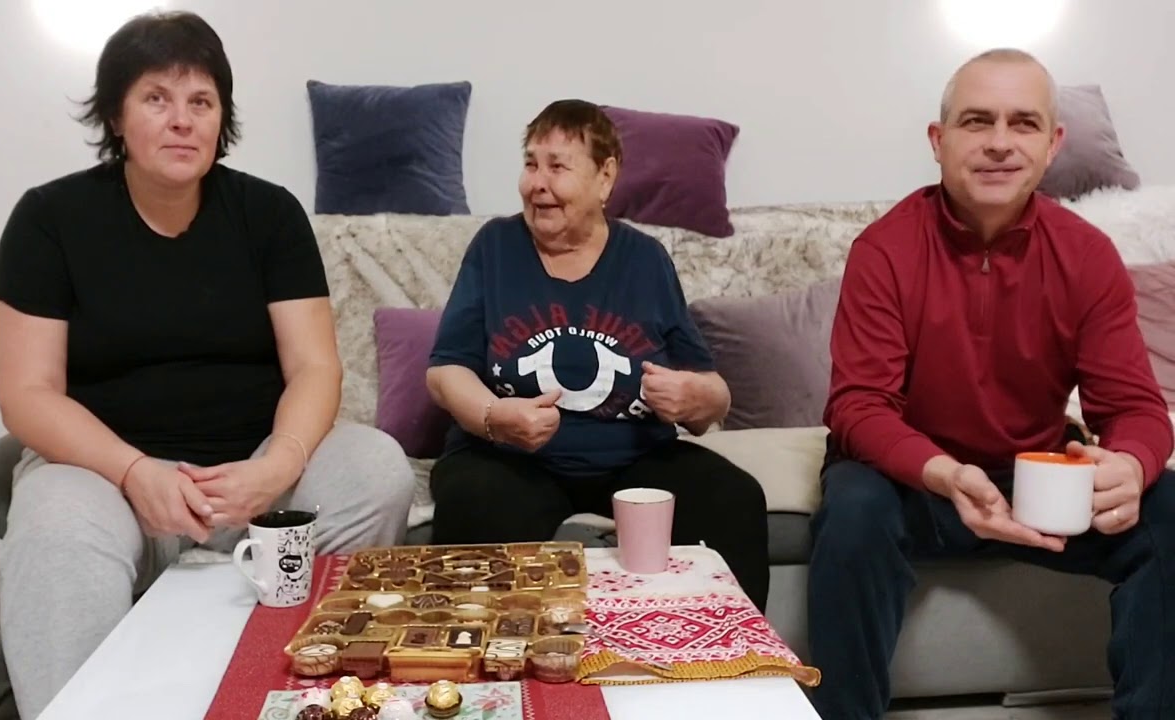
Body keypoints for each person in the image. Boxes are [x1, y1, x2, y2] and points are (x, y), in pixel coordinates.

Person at [0, 11, 415, 718]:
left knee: (376, 467)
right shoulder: (48, 219)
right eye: (157, 98)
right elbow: (27, 393)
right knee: (53, 523)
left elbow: (316, 368)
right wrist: (135, 472)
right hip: (106, 479)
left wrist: (277, 464)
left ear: (222, 117)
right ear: (116, 115)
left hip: (255, 477)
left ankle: (316, 688)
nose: (182, 120)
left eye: (201, 101)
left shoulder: (269, 214)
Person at [808, 48, 1175, 719]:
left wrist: (1131, 463)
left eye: (1023, 123)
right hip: (914, 481)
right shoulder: (884, 249)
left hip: (1034, 479)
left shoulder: (1088, 256)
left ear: (1052, 144)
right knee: (853, 512)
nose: (1000, 142)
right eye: (977, 121)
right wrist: (948, 475)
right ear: (939, 140)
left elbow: (1135, 409)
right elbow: (858, 407)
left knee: (1170, 508)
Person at [424, 99, 770, 608]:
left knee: (733, 498)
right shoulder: (494, 247)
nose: (537, 183)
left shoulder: (645, 259)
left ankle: (727, 652)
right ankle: (477, 655)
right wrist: (495, 417)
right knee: (476, 503)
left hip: (635, 458)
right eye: (531, 164)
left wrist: (694, 398)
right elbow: (445, 371)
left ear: (605, 177)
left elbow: (712, 394)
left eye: (557, 167)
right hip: (511, 459)